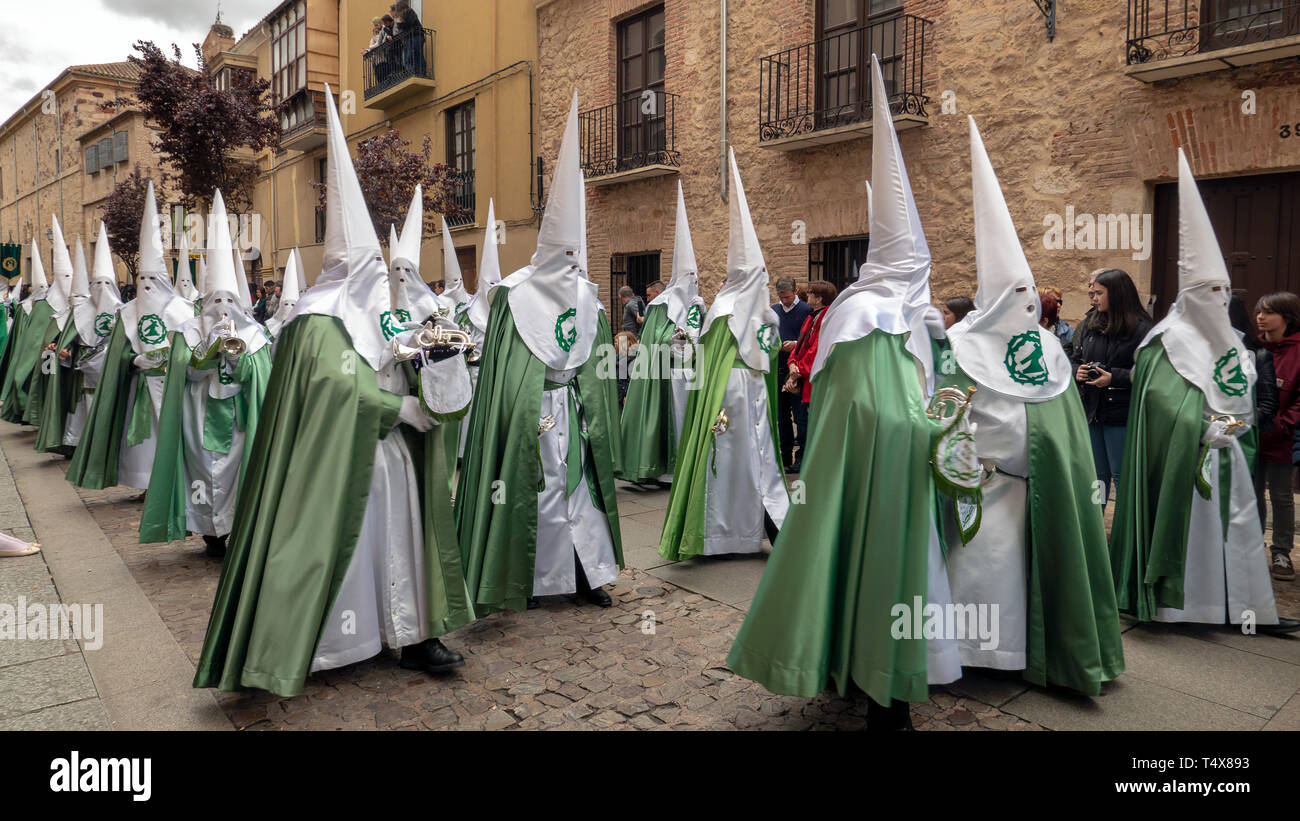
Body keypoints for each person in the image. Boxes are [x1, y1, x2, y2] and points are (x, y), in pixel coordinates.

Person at [194, 85, 473, 697]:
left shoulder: (394, 310)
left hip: (396, 452)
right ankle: (329, 641)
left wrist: (441, 365)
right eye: (371, 265)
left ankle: (414, 634)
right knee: (342, 543)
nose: (381, 274)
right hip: (337, 459)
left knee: (402, 537)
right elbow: (330, 389)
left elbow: (415, 363)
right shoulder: (315, 319)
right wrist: (392, 405)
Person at [729, 57, 960, 729]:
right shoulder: (864, 316)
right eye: (917, 267)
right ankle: (882, 693)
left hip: (904, 476)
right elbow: (868, 407)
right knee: (878, 570)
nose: (923, 277)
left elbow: (920, 388)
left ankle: (879, 674)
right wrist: (923, 428)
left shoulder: (909, 318)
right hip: (877, 474)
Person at [942, 117, 1125, 692]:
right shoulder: (960, 345)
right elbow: (943, 408)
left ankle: (1033, 649)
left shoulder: (1047, 345)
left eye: (1030, 295)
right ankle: (979, 652)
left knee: (1025, 569)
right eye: (1013, 296)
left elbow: (1060, 418)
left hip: (1034, 483)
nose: (1024, 306)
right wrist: (959, 455)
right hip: (981, 482)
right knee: (985, 567)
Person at [1111, 148, 1298, 633]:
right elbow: (1157, 403)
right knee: (1193, 534)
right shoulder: (1164, 344)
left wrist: (1239, 425)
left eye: (1224, 292)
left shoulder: (1237, 345)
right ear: (1190, 298)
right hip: (1185, 460)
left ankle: (1240, 607)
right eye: (1209, 293)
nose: (1220, 301)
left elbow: (1252, 393)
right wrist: (1201, 426)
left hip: (1232, 456)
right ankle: (1182, 605)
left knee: (1237, 529)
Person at [457, 91, 624, 614]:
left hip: (571, 412)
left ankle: (587, 572)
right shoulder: (514, 294)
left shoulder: (587, 293)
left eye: (577, 256)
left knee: (578, 490)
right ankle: (526, 575)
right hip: (531, 412)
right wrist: (521, 412)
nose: (572, 266)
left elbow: (592, 361)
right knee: (536, 492)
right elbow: (505, 370)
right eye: (564, 256)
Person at [658, 149, 790, 560]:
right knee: (732, 465)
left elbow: (766, 354)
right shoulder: (725, 309)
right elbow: (710, 359)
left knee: (761, 463)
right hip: (728, 399)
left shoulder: (753, 310)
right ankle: (722, 533)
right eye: (759, 278)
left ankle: (763, 525)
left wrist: (769, 326)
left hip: (753, 394)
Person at [67, 180, 195, 492]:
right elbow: (115, 354)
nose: (146, 285)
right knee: (144, 442)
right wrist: (133, 359)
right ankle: (149, 485)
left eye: (152, 279)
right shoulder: (128, 313)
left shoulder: (183, 310)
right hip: (139, 387)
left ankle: (172, 483)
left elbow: (192, 346)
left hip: (174, 386)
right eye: (142, 279)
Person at [617, 183, 706, 485]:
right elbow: (654, 340)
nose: (693, 281)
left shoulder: (698, 304)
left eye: (696, 276)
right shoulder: (661, 305)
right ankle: (660, 468)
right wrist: (674, 339)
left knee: (686, 419)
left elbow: (701, 333)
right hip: (664, 373)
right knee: (667, 417)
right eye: (688, 276)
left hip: (690, 372)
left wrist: (692, 339)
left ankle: (685, 467)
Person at [1068, 268, 1152, 507]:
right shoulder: (1090, 324)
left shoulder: (1142, 329)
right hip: (1093, 413)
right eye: (1092, 292)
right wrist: (1078, 370)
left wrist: (1114, 377)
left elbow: (1150, 372)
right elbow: (1075, 356)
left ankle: (1125, 538)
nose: (1092, 297)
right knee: (1096, 479)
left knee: (1122, 477)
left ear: (1116, 294)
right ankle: (1095, 531)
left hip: (1122, 416)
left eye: (1098, 293)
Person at [1254, 292, 1300, 582]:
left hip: (1283, 437)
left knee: (1282, 495)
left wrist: (1283, 424)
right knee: (1252, 493)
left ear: (1286, 317)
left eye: (1268, 312)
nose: (1260, 316)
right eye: (1259, 311)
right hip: (1253, 433)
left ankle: (1281, 550)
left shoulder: (1297, 350)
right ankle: (1251, 545)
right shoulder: (1255, 348)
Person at [0, 237, 55, 425]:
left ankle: (43, 416)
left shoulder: (55, 307)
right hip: (28, 351)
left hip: (49, 353)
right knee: (24, 379)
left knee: (48, 381)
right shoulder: (25, 307)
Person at [784, 279, 837, 467]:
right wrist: (792, 364)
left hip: (814, 380)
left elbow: (817, 350)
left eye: (812, 293)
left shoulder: (826, 318)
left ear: (819, 298)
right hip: (803, 376)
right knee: (803, 420)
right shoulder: (812, 316)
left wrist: (797, 373)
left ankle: (808, 462)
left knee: (807, 423)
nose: (808, 296)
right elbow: (801, 345)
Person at [772, 275, 811, 470]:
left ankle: (802, 458)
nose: (784, 301)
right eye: (781, 297)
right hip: (778, 369)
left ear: (795, 292)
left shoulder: (806, 310)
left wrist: (795, 345)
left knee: (800, 416)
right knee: (782, 417)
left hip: (798, 372)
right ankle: (784, 456)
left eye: (787, 297)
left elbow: (810, 339)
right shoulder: (773, 311)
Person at [264, 249, 304, 343]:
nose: (289, 307)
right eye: (286, 304)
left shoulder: (303, 328)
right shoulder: (270, 329)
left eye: (293, 305)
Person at [1039, 284, 1074, 351]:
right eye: (1053, 301)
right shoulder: (1029, 329)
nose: (1058, 305)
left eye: (1059, 302)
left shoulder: (1067, 332)